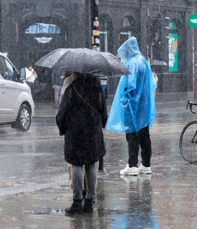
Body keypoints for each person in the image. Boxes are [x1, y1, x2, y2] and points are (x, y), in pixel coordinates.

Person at [56, 73, 107, 214]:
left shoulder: (72, 87)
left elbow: (62, 113)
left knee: (77, 164)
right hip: (93, 130)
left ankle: (77, 201)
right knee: (91, 163)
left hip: (75, 131)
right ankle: (90, 201)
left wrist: (62, 127)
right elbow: (103, 110)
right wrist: (101, 122)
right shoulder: (96, 87)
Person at [107, 37, 156, 176]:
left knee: (132, 134)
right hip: (143, 105)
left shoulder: (133, 63)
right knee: (144, 134)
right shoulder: (143, 61)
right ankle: (146, 164)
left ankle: (132, 165)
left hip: (132, 105)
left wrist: (125, 99)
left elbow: (130, 86)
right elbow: (151, 83)